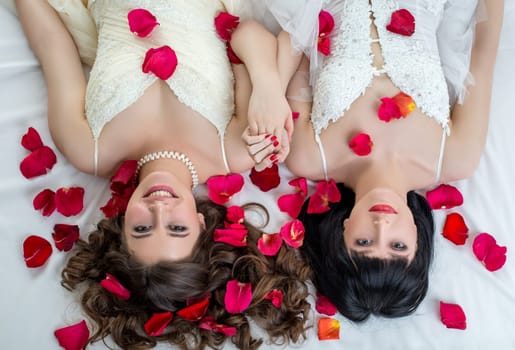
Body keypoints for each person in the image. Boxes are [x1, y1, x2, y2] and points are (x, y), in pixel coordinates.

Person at [15, 1, 311, 349]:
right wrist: (268, 89)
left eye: (142, 229)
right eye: (176, 227)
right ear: (202, 225)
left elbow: (53, 42)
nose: (159, 209)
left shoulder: (88, 149)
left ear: (121, 229)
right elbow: (244, 33)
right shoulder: (233, 150)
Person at [283, 0, 504, 322]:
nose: (381, 225)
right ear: (418, 240)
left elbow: (298, 48)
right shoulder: (455, 158)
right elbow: (481, 59)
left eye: (364, 242)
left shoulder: (308, 155)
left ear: (342, 236)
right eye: (398, 245)